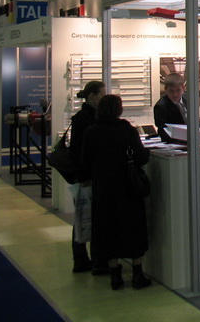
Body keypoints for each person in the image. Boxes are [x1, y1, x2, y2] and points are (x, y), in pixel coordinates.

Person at [81, 94, 151, 290]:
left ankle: (115, 275)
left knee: (107, 230)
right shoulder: (127, 130)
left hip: (103, 189)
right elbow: (142, 157)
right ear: (119, 110)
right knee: (133, 228)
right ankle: (137, 273)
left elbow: (85, 162)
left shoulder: (91, 132)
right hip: (127, 188)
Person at [68, 80, 107, 275]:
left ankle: (85, 259)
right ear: (92, 96)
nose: (104, 98)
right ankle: (86, 260)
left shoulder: (88, 117)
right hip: (87, 176)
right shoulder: (85, 118)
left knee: (84, 217)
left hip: (88, 175)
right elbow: (80, 150)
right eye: (102, 94)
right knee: (86, 217)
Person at [153, 73, 188, 143]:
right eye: (171, 91)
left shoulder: (189, 100)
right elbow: (163, 132)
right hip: (176, 143)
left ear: (183, 88)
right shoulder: (161, 106)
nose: (175, 94)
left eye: (178, 90)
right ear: (165, 89)